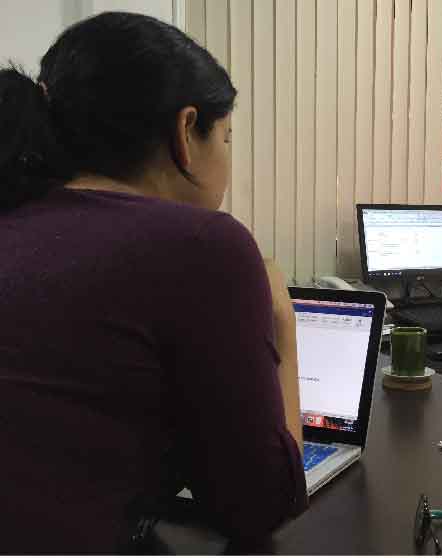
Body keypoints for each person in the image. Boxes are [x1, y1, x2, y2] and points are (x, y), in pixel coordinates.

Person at [0, 12, 306, 553]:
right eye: (227, 137)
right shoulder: (202, 244)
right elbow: (264, 505)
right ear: (186, 131)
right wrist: (282, 321)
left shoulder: (16, 216)